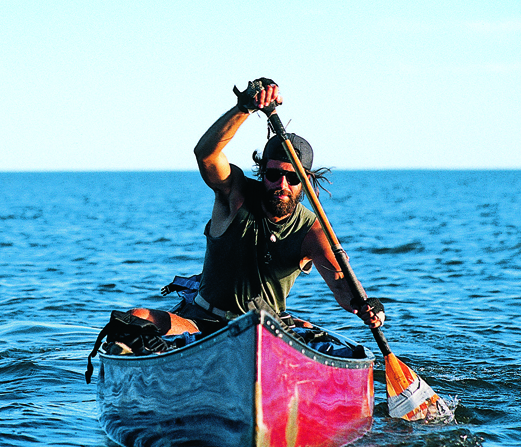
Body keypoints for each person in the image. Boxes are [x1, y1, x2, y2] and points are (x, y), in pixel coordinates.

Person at [130, 78, 384, 336]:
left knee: (309, 331)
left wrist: (366, 305)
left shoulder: (313, 231)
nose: (282, 184)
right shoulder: (234, 193)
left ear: (306, 182)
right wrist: (244, 108)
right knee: (136, 318)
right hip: (203, 321)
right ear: (262, 173)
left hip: (265, 331)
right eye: (273, 175)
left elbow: (341, 282)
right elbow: (206, 155)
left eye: (293, 177)